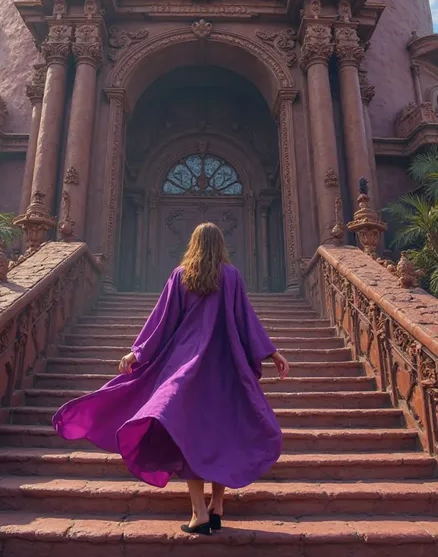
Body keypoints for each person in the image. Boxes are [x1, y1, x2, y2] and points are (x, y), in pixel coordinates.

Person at [53, 222, 289, 535]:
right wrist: (271, 353)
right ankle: (217, 506)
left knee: (189, 437)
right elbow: (246, 319)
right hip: (225, 367)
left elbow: (162, 322)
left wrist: (136, 353)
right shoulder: (231, 276)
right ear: (220, 245)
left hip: (185, 367)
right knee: (223, 434)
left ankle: (200, 513)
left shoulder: (181, 275)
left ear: (193, 243)